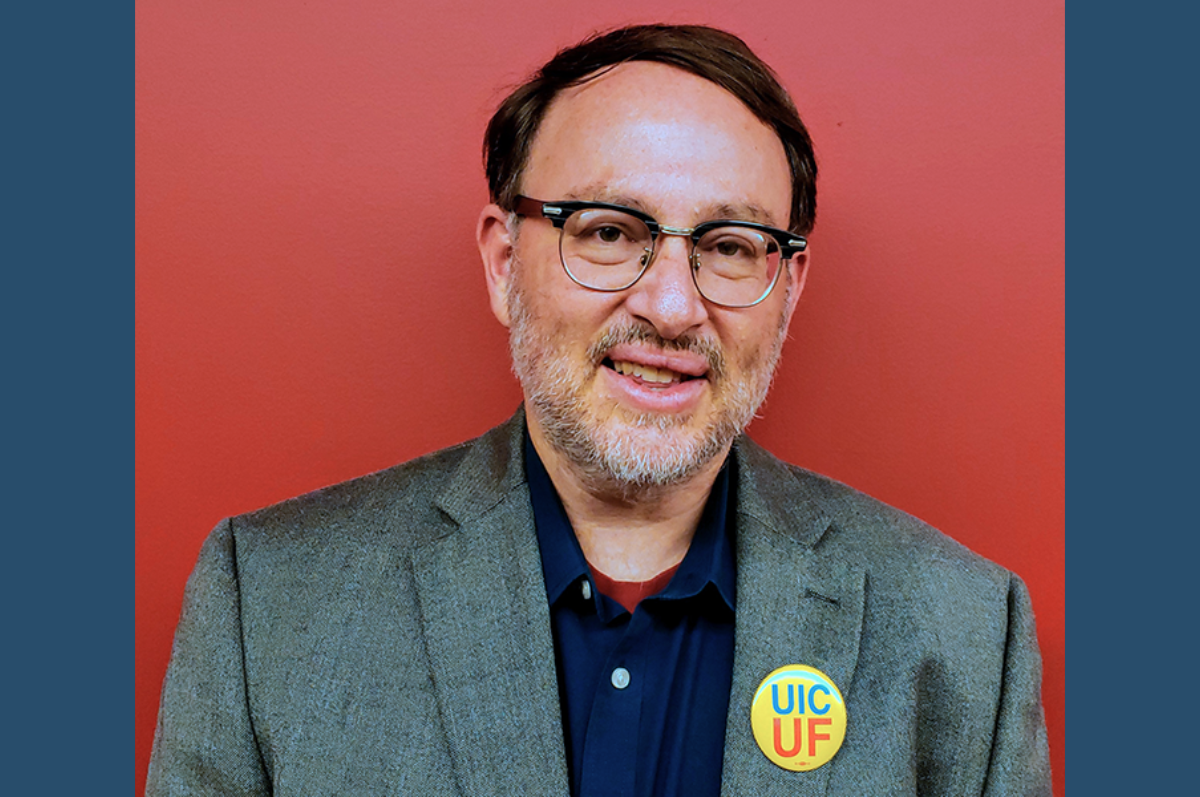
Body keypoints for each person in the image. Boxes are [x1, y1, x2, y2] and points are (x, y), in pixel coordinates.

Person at [146, 23, 1051, 797]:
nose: (670, 306)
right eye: (609, 231)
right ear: (505, 262)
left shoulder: (964, 634)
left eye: (730, 246)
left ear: (788, 286)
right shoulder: (267, 605)